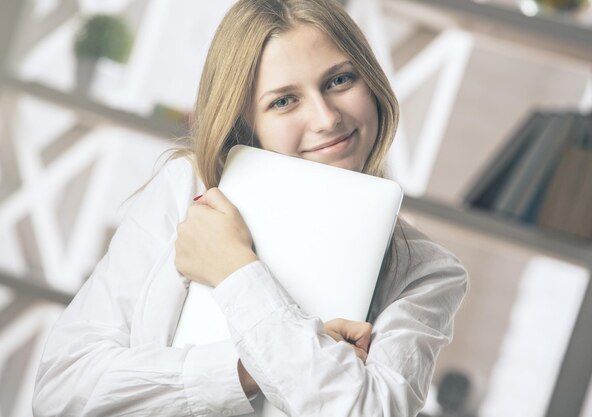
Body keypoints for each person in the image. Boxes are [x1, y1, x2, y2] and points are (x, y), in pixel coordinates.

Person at [33, 0, 468, 416]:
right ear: (245, 121)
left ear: (372, 82)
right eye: (283, 100)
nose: (325, 118)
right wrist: (243, 371)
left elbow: (367, 413)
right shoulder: (186, 192)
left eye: (339, 80)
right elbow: (62, 392)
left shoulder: (425, 271)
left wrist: (235, 272)